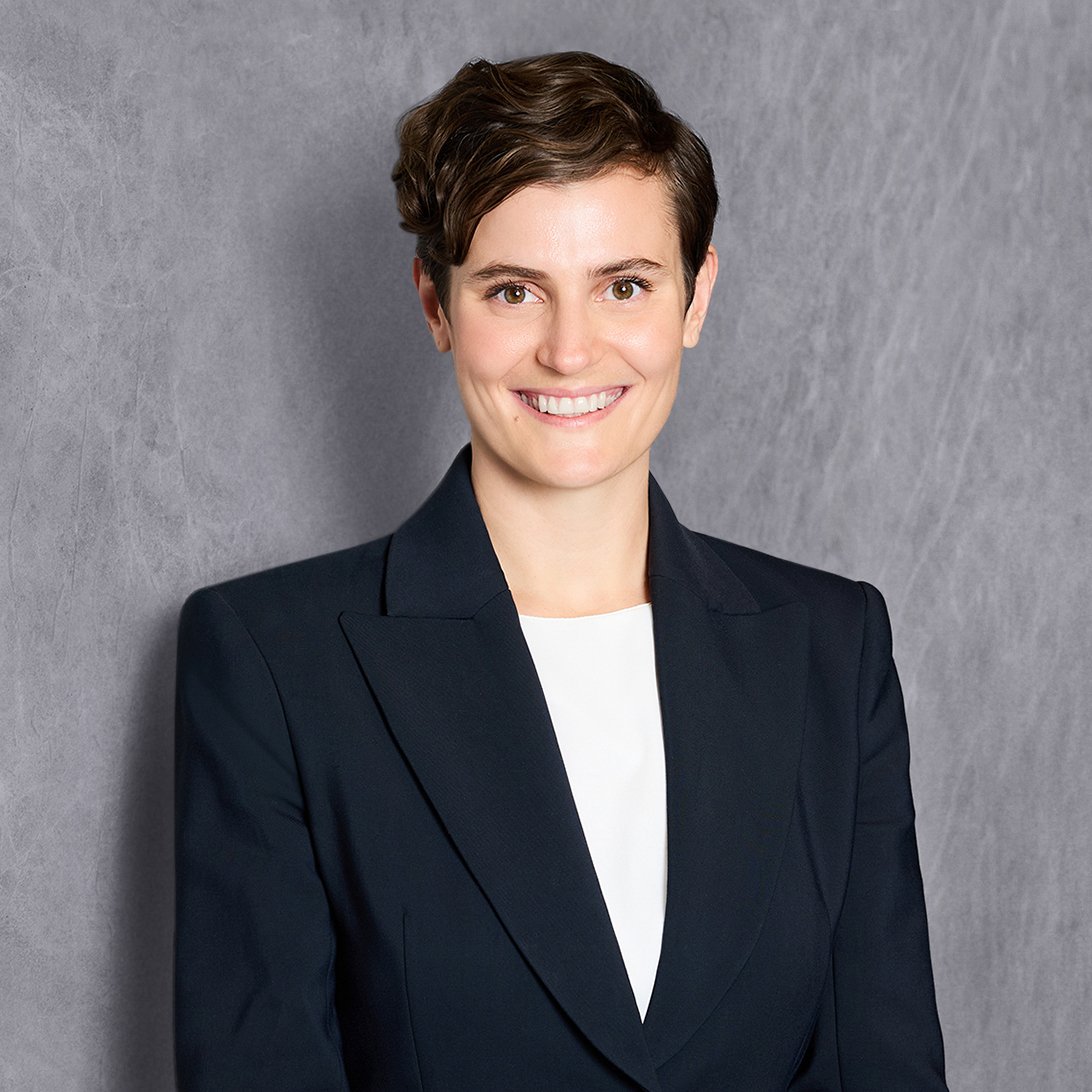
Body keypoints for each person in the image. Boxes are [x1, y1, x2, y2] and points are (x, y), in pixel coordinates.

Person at [174, 51, 947, 1090]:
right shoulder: (273, 663)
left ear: (695, 297)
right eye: (513, 291)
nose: (571, 351)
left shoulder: (833, 649)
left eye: (623, 285)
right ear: (438, 306)